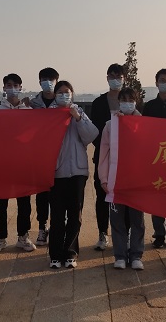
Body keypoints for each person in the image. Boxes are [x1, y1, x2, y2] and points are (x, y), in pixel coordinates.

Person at [48, 81, 99, 269]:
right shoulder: (49, 114)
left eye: (67, 92)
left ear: (72, 93)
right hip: (56, 172)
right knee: (57, 216)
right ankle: (55, 254)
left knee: (74, 215)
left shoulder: (79, 112)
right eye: (60, 92)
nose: (64, 95)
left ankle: (70, 252)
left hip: (78, 171)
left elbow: (91, 135)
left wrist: (77, 118)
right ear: (55, 95)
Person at [98, 88, 145, 270]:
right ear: (118, 102)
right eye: (123, 100)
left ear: (136, 101)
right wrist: (103, 178)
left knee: (137, 220)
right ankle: (120, 255)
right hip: (115, 178)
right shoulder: (110, 125)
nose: (127, 103)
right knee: (117, 219)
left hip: (137, 180)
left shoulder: (144, 124)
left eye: (130, 99)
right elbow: (104, 153)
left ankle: (136, 254)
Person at [0, 73, 36, 253]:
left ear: (21, 87)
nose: (12, 88)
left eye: (16, 85)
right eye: (9, 85)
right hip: (2, 164)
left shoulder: (29, 112)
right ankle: (0, 238)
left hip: (23, 164)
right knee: (0, 204)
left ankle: (23, 236)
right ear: (4, 88)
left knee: (24, 203)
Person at [142, 68, 166, 249]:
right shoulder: (150, 106)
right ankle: (159, 233)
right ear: (156, 83)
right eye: (162, 80)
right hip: (156, 157)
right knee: (157, 195)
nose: (165, 83)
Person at [90, 63, 126, 251]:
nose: (115, 79)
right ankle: (103, 233)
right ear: (107, 78)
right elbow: (94, 130)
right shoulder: (98, 102)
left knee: (124, 196)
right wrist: (108, 146)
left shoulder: (129, 100)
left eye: (118, 76)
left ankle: (124, 233)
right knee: (102, 194)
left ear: (124, 78)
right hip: (104, 156)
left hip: (126, 157)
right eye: (112, 76)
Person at [28, 67, 60, 247]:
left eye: (51, 79)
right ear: (39, 82)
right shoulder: (33, 104)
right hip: (39, 156)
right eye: (44, 79)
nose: (48, 83)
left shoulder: (63, 104)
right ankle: (42, 226)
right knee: (41, 194)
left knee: (57, 194)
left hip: (58, 155)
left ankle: (56, 227)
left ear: (56, 81)